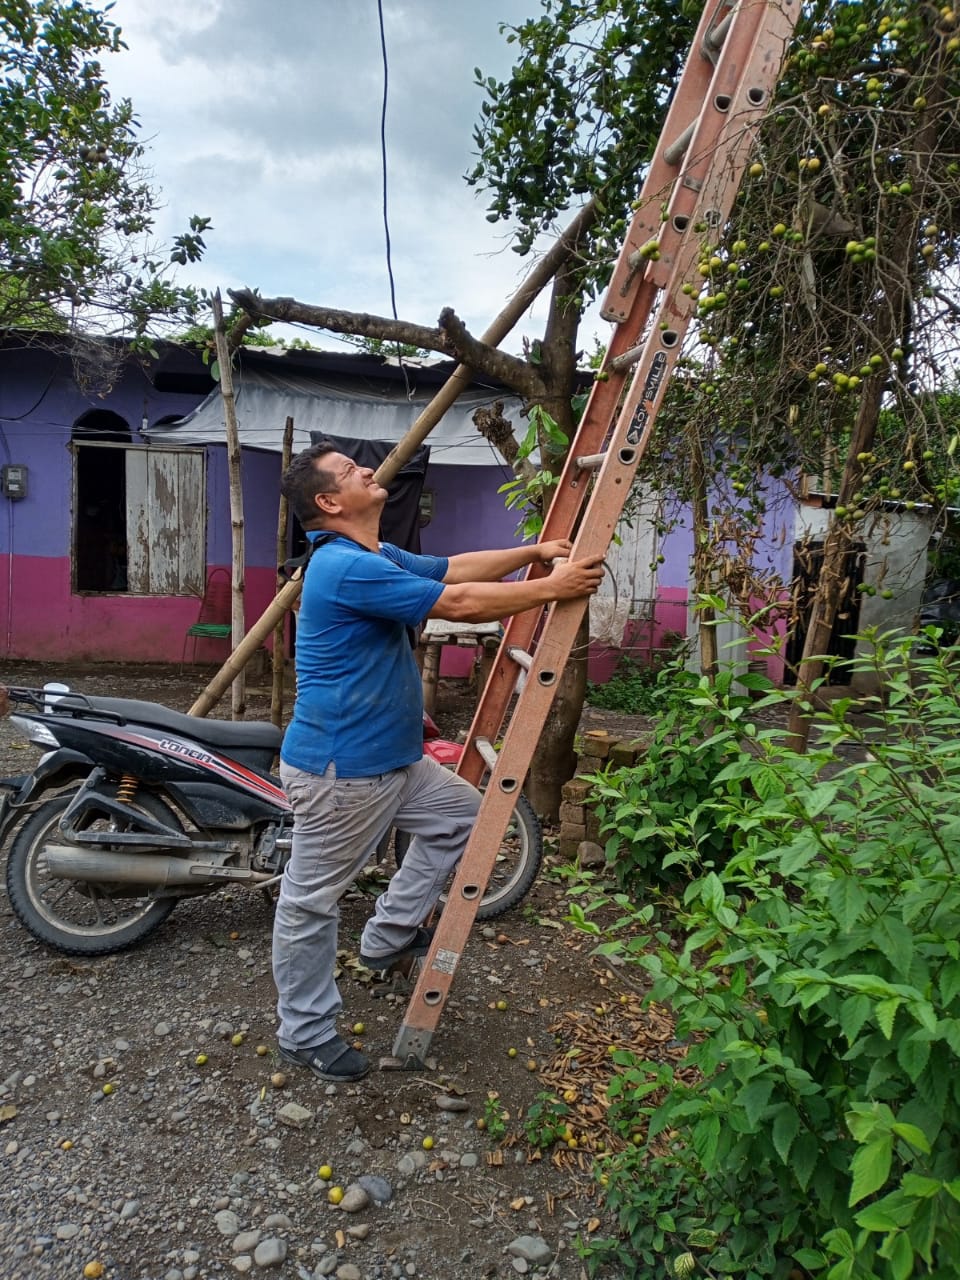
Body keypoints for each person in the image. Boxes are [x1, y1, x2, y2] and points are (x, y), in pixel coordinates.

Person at [273, 444, 604, 1083]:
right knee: (310, 902)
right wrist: (551, 589)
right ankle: (304, 1032)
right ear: (329, 502)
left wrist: (533, 554)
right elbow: (456, 604)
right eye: (349, 471)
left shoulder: (373, 553)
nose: (367, 470)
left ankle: (386, 936)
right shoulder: (343, 565)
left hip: (396, 762)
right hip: (343, 773)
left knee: (465, 819)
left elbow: (453, 569)